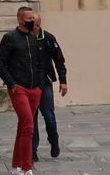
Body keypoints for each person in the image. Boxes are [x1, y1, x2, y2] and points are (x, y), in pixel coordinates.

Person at [0, 5, 46, 175]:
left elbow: (39, 63)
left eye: (33, 19)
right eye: (30, 19)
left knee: (23, 126)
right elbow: (0, 63)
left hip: (34, 89)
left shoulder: (33, 38)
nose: (33, 21)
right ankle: (27, 167)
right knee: (29, 127)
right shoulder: (10, 38)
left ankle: (16, 166)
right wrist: (12, 84)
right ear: (20, 19)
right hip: (19, 88)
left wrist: (39, 86)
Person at [31, 14, 67, 162]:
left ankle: (54, 141)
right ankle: (32, 150)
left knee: (49, 116)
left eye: (36, 25)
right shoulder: (24, 39)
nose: (34, 28)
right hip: (29, 85)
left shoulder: (48, 39)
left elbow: (59, 61)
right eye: (32, 25)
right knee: (31, 119)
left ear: (40, 24)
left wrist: (63, 81)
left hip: (45, 84)